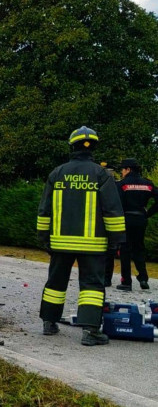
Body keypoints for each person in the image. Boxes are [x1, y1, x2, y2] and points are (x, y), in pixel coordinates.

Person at [37, 126, 125, 346]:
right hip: (93, 245)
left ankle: (49, 322)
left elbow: (44, 210)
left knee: (56, 282)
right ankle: (90, 331)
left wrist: (43, 237)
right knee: (92, 286)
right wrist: (116, 242)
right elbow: (113, 211)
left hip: (60, 243)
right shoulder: (102, 174)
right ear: (93, 147)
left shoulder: (57, 173)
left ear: (72, 146)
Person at [115, 158, 156, 291]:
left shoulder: (122, 184)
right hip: (140, 219)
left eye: (122, 169)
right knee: (139, 248)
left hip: (126, 218)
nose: (121, 172)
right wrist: (148, 213)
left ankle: (126, 281)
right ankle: (143, 278)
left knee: (125, 249)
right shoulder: (148, 184)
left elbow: (117, 204)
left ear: (128, 169)